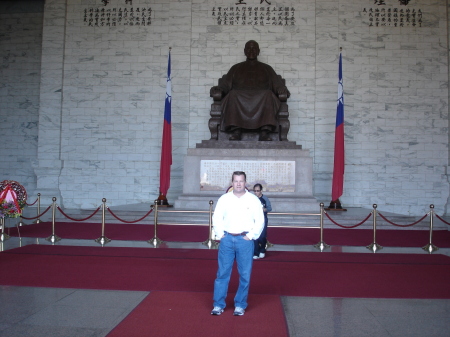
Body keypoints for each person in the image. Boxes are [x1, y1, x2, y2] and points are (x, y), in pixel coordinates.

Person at [210, 40, 290, 141]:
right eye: (249, 48)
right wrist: (219, 89)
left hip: (262, 97)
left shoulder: (267, 68)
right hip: (239, 97)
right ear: (244, 51)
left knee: (268, 94)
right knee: (233, 94)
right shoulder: (236, 68)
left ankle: (264, 131)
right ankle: (236, 130)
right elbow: (225, 85)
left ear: (258, 51)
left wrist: (282, 89)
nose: (251, 51)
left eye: (254, 48)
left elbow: (277, 84)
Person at [211, 171, 265, 316]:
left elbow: (260, 220)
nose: (239, 184)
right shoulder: (224, 199)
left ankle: (240, 304)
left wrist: (250, 236)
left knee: (245, 274)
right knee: (222, 273)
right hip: (227, 239)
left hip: (244, 241)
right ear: (232, 182)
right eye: (236, 181)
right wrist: (221, 234)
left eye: (241, 181)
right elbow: (217, 217)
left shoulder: (253, 200)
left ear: (245, 182)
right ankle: (218, 304)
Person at [252, 183, 272, 259]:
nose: (256, 192)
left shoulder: (265, 198)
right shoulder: (253, 199)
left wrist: (264, 209)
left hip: (263, 219)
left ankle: (262, 250)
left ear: (261, 191)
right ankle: (255, 252)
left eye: (258, 191)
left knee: (262, 236)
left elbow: (270, 208)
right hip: (254, 220)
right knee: (255, 236)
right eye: (255, 191)